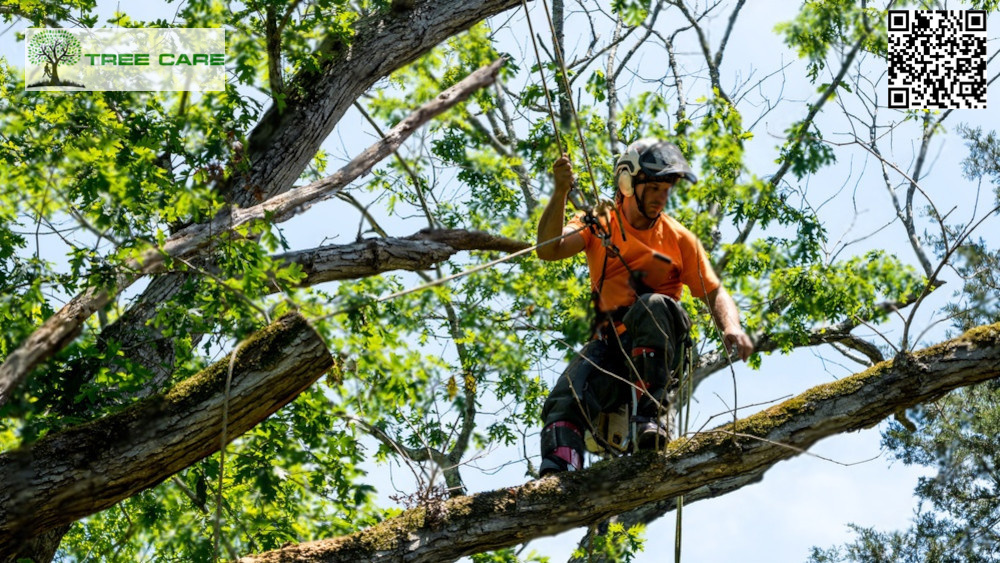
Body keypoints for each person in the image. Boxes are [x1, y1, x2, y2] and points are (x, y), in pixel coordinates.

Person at [535, 138, 754, 476]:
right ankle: (560, 470)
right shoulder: (599, 222)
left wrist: (732, 327)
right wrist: (560, 191)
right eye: (653, 187)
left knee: (650, 305)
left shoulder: (680, 239)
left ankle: (650, 418)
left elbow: (714, 292)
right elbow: (549, 249)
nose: (661, 197)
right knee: (566, 396)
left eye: (666, 189)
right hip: (613, 348)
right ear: (626, 183)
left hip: (660, 353)